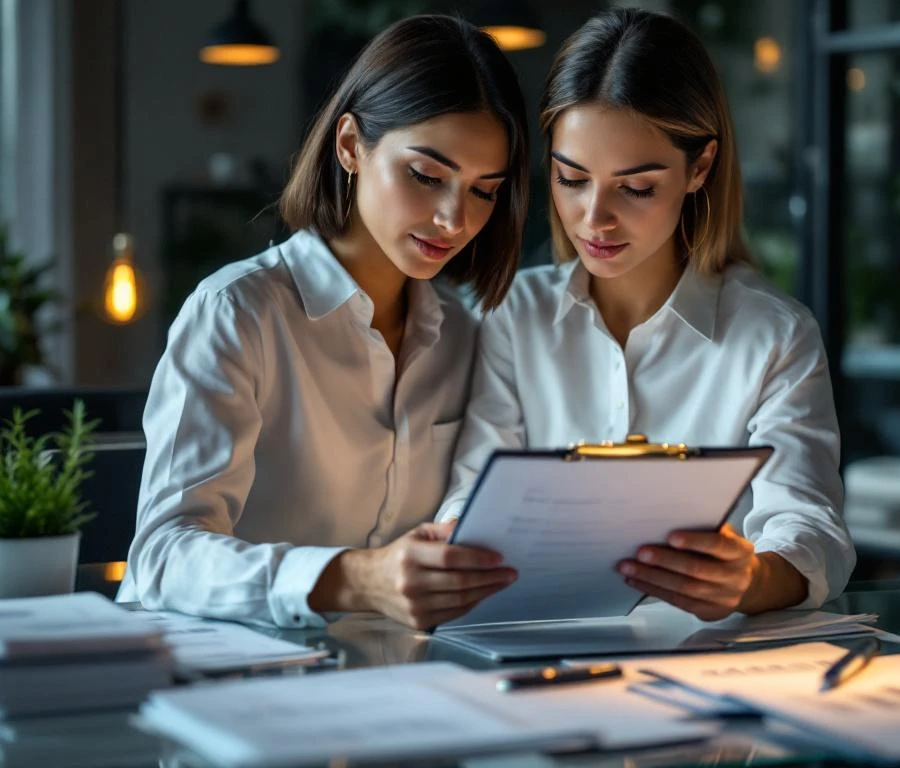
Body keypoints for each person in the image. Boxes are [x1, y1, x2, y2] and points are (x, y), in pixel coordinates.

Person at [438, 8, 855, 621]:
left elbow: (809, 522)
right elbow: (473, 495)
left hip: (711, 664)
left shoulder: (772, 334)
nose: (594, 218)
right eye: (571, 179)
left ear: (701, 168)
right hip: (536, 648)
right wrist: (452, 543)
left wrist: (751, 579)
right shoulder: (513, 316)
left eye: (635, 188)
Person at [118, 15, 529, 630]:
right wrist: (357, 579)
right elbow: (162, 558)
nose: (453, 218)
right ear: (349, 147)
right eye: (426, 175)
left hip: (404, 684)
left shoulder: (466, 338)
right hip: (237, 684)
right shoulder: (238, 313)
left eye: (484, 190)